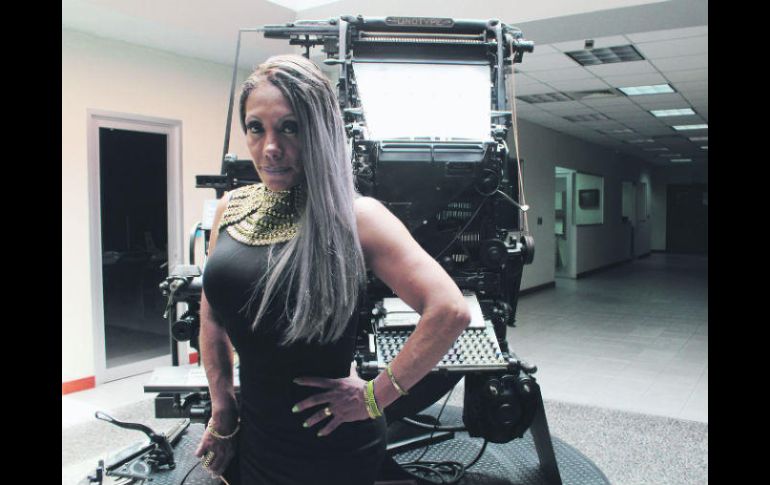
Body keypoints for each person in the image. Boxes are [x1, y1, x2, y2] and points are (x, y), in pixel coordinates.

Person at [194, 54, 471, 485]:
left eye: (290, 127)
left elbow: (449, 310)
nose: (271, 147)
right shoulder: (230, 208)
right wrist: (223, 411)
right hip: (256, 433)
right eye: (256, 128)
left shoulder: (356, 216)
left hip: (329, 439)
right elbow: (212, 318)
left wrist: (374, 397)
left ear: (320, 130)